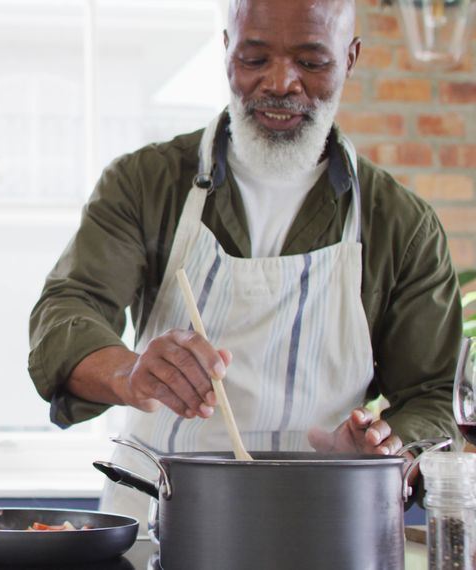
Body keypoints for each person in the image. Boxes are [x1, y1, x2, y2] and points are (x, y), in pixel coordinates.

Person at [28, 0, 462, 523]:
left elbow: (435, 398)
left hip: (323, 525)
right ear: (226, 50)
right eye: (255, 59)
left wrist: (388, 451)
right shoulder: (146, 183)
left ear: (349, 58)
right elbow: (67, 310)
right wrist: (131, 373)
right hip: (161, 519)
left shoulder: (402, 225)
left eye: (312, 63)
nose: (280, 82)